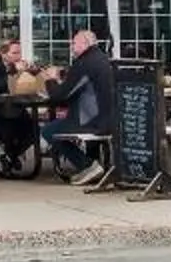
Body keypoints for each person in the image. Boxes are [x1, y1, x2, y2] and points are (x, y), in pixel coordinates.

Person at [39, 27, 118, 184]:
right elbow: (79, 89)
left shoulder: (84, 63)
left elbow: (60, 97)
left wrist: (51, 79)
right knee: (61, 125)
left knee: (49, 131)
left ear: (85, 43)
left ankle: (87, 165)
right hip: (110, 119)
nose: (71, 47)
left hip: (92, 121)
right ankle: (95, 166)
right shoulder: (103, 59)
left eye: (74, 43)